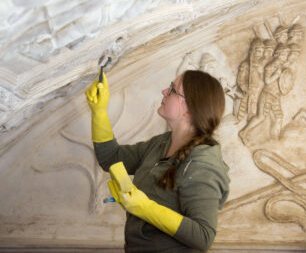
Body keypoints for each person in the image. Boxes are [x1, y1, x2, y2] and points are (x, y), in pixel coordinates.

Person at [85, 70, 230, 252]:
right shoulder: (162, 143)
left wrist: (145, 208)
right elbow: (111, 158)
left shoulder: (203, 165)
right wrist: (99, 112)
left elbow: (203, 236)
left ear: (189, 108)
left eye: (172, 89)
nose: (164, 91)